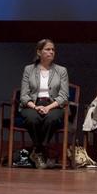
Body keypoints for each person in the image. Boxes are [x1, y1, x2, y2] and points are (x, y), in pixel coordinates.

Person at [18, 39, 70, 169]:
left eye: (53, 49)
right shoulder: (29, 69)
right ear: (39, 52)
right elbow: (24, 95)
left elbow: (64, 96)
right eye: (47, 49)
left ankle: (38, 151)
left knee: (51, 118)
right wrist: (35, 107)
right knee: (32, 118)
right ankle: (42, 152)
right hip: (33, 104)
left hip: (53, 104)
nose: (51, 52)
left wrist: (48, 107)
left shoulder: (61, 70)